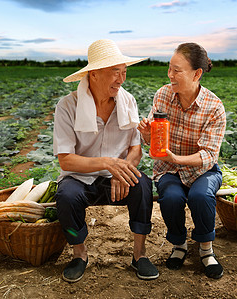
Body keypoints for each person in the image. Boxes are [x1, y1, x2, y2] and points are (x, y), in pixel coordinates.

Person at [53, 39, 158, 283]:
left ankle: (139, 255)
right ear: (94, 74)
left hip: (117, 179)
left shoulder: (127, 101)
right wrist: (107, 163)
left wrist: (123, 170)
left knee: (143, 185)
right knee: (66, 196)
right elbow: (66, 161)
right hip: (80, 179)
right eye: (114, 72)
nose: (121, 79)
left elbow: (135, 148)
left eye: (124, 72)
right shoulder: (68, 106)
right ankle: (79, 255)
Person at [137, 42, 226, 279]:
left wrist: (177, 157)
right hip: (168, 169)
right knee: (172, 197)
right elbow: (152, 141)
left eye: (177, 70)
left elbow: (208, 155)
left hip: (203, 170)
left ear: (197, 74)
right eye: (169, 68)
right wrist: (146, 132)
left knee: (201, 196)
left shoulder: (214, 107)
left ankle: (206, 249)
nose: (170, 75)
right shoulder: (163, 95)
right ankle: (179, 245)